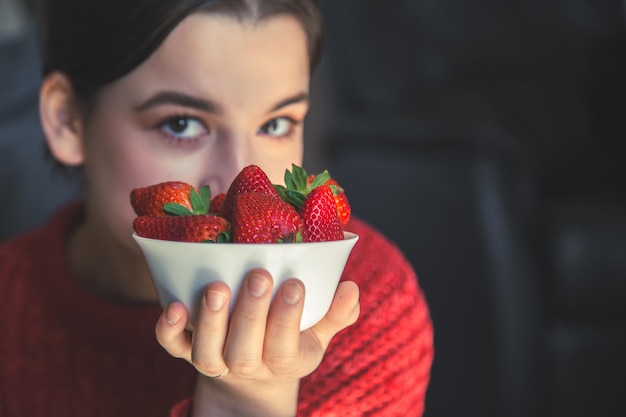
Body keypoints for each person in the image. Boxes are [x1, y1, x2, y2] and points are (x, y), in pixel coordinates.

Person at [0, 0, 434, 415]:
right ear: (67, 120)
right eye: (182, 124)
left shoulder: (367, 307)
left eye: (275, 124)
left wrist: (248, 403)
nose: (240, 179)